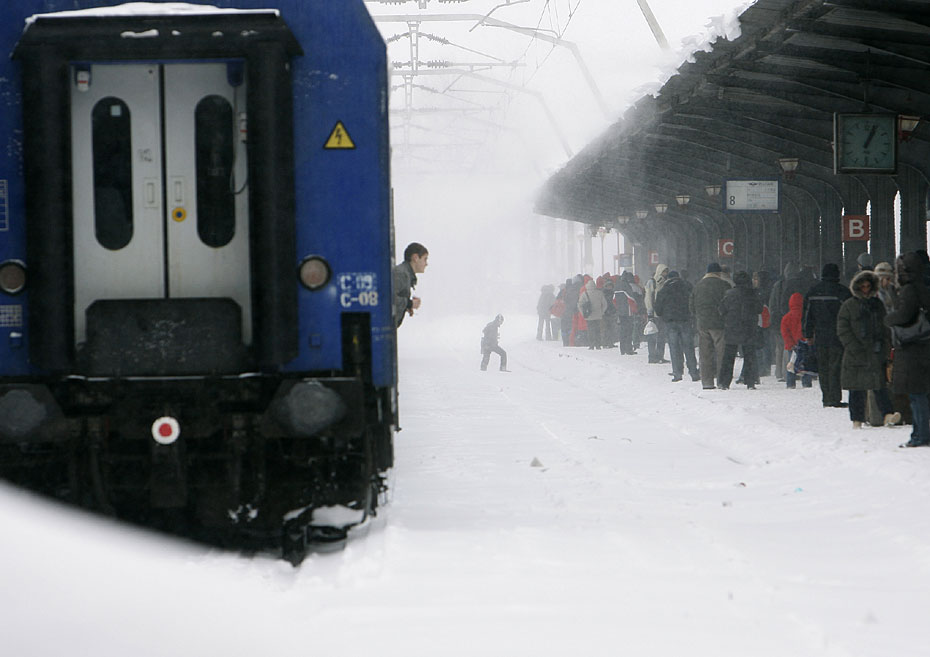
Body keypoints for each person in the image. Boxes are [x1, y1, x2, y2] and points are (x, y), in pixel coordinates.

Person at [838, 270, 899, 430]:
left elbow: (884, 327)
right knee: (857, 388)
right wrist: (854, 346)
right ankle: (857, 419)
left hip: (875, 352)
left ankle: (887, 414)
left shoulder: (877, 305)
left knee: (879, 386)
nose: (865, 289)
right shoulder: (849, 306)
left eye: (868, 286)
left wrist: (886, 346)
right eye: (862, 286)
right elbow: (843, 329)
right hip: (856, 354)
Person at [884, 253, 930, 447]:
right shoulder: (923, 287)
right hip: (923, 345)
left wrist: (889, 319)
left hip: (912, 347)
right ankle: (920, 433)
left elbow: (905, 315)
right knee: (920, 393)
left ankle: (920, 435)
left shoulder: (910, 289)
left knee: (916, 394)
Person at [803, 263, 851, 407]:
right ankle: (835, 398)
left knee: (823, 368)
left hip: (820, 336)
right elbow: (850, 314)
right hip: (838, 335)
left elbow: (807, 315)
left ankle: (826, 397)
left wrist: (808, 334)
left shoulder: (813, 292)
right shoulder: (843, 292)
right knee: (835, 367)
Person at [717, 270, 762, 390]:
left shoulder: (729, 294)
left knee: (729, 356)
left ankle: (724, 382)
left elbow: (721, 309)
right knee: (750, 355)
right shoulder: (753, 294)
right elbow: (759, 309)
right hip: (749, 327)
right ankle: (750, 381)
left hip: (733, 327)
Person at [691, 262, 731, 389]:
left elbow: (691, 306)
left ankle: (707, 382)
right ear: (718, 273)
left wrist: (699, 315)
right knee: (721, 353)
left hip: (703, 323)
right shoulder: (724, 285)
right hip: (719, 323)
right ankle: (721, 380)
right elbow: (728, 304)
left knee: (705, 353)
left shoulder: (698, 285)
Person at [654, 270, 699, 382]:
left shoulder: (664, 290)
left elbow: (658, 308)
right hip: (685, 320)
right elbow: (694, 301)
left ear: (668, 278)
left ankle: (677, 373)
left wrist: (665, 315)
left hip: (671, 322)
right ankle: (694, 372)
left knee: (674, 348)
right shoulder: (687, 287)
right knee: (688, 347)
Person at [392, 242, 428, 327]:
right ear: (415, 258)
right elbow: (387, 298)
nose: (426, 264)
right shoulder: (401, 274)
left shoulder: (405, 274)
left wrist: (405, 307)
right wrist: (410, 303)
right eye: (425, 259)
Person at [781, 292, 812, 389]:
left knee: (791, 364)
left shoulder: (786, 317)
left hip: (792, 345)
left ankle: (791, 383)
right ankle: (806, 383)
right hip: (804, 344)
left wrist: (790, 344)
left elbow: (785, 333)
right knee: (806, 364)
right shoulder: (806, 315)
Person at [644, 264, 670, 363]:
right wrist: (650, 312)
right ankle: (652, 356)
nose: (665, 273)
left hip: (662, 313)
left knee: (661, 336)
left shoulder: (666, 282)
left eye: (666, 272)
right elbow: (648, 298)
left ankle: (659, 356)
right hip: (654, 314)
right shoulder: (652, 282)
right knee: (652, 335)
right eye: (664, 271)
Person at [577, 277, 608, 350]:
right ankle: (598, 345)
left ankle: (591, 345)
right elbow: (605, 304)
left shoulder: (584, 294)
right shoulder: (599, 293)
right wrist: (602, 312)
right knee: (597, 330)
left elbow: (579, 304)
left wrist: (583, 313)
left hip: (589, 316)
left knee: (590, 330)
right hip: (598, 316)